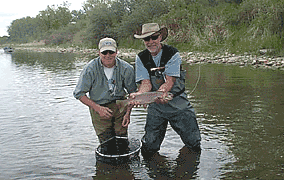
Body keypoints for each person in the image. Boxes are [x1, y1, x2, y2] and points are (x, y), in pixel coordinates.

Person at [131, 23, 201, 159]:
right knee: (149, 147)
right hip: (156, 107)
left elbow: (170, 81)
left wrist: (162, 92)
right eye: (147, 39)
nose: (151, 42)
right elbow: (146, 83)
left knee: (193, 144)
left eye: (154, 37)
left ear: (160, 37)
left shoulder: (172, 53)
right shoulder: (141, 58)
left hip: (178, 103)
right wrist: (139, 95)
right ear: (143, 41)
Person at [73, 37, 137, 149]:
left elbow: (133, 94)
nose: (108, 55)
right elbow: (79, 94)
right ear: (99, 52)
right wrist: (98, 109)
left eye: (111, 52)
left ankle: (123, 165)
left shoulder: (127, 69)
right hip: (98, 107)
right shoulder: (90, 69)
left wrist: (128, 114)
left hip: (120, 107)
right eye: (104, 52)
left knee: (122, 141)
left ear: (116, 52)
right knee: (107, 143)